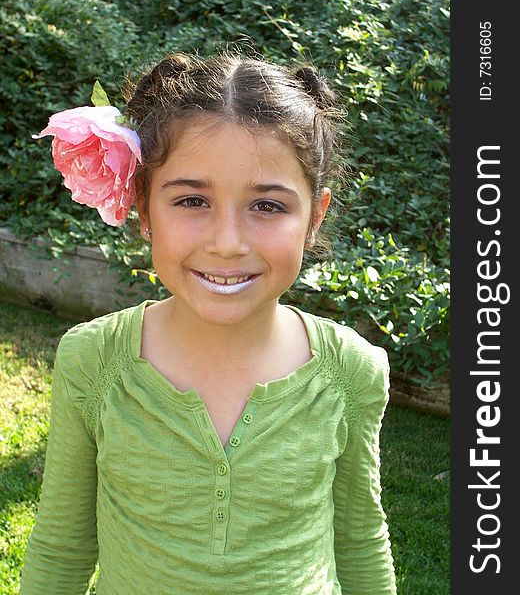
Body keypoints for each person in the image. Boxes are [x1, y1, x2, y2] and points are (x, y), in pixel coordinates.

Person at [20, 50, 396, 594]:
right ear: (145, 210)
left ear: (314, 216)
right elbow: (62, 546)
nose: (227, 242)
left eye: (267, 206)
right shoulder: (92, 360)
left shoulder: (352, 371)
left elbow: (360, 541)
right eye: (193, 199)